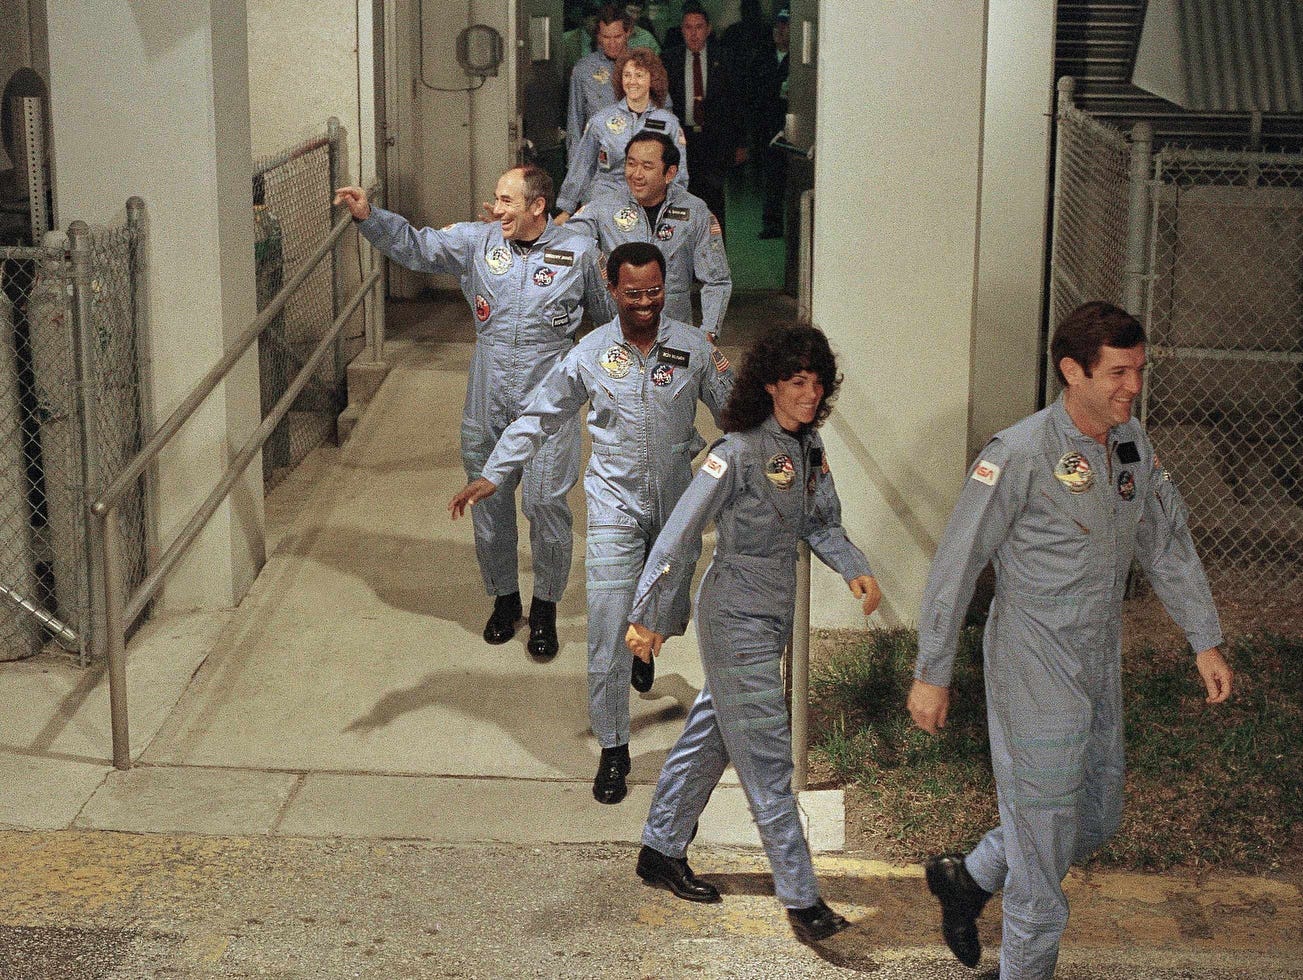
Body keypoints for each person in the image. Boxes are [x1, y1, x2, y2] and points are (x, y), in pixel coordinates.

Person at [907, 301, 1234, 979]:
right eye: (1117, 372)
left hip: (1094, 655)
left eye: (1137, 371)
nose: (1132, 386)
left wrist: (1203, 637)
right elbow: (957, 562)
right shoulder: (1019, 453)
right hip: (1033, 657)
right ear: (1071, 371)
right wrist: (931, 669)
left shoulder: (1128, 443)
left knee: (1094, 815)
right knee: (1043, 864)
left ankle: (967, 879)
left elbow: (1164, 543)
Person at [449, 242, 733, 806]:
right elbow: (540, 414)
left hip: (678, 513)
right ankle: (613, 748)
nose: (647, 303)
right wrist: (494, 471)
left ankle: (647, 644)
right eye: (634, 294)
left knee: (669, 614)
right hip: (615, 509)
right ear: (611, 289)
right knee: (606, 630)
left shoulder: (695, 349)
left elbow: (736, 417)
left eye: (655, 292)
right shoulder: (589, 353)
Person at [626, 325, 882, 944]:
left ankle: (660, 848)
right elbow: (680, 531)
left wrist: (855, 570)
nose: (809, 395)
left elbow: (821, 523)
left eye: (818, 384)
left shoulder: (810, 450)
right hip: (734, 612)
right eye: (797, 384)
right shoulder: (736, 451)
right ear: (769, 386)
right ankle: (802, 899)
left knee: (718, 728)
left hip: (772, 615)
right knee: (767, 758)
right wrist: (652, 612)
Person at [333, 171, 611, 660]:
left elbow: (609, 317)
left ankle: (544, 607)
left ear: (538, 206)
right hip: (488, 387)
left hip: (550, 394)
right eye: (497, 199)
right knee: (489, 499)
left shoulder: (578, 253)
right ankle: (505, 599)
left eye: (507, 200)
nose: (496, 207)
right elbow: (417, 247)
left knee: (545, 502)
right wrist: (368, 217)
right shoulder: (477, 243)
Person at [565, 131, 730, 337]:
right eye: (631, 164)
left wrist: (709, 333)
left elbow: (716, 280)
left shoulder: (695, 212)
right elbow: (565, 244)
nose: (636, 174)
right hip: (616, 335)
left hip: (674, 334)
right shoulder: (603, 208)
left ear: (669, 173)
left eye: (647, 166)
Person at [555, 48, 688, 221]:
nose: (632, 81)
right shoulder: (601, 120)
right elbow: (582, 166)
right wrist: (567, 208)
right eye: (627, 75)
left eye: (639, 75)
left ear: (652, 80)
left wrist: (672, 207)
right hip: (605, 205)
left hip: (651, 207)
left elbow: (678, 172)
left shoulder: (668, 123)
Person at [662, 4, 748, 238]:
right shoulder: (669, 60)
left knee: (714, 205)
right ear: (681, 30)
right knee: (680, 203)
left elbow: (738, 102)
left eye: (699, 27)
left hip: (715, 142)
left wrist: (741, 143)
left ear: (708, 29)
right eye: (688, 27)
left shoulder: (726, 58)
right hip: (682, 141)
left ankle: (715, 259)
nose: (694, 33)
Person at [565, 3, 662, 162]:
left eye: (617, 37)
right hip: (599, 158)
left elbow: (664, 112)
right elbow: (575, 123)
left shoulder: (646, 65)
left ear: (628, 32)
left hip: (640, 157)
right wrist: (575, 169)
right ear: (598, 36)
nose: (612, 43)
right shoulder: (583, 70)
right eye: (606, 37)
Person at [754, 8, 790, 240]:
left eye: (785, 26)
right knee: (772, 176)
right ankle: (772, 223)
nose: (779, 30)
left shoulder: (798, 60)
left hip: (789, 124)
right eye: (777, 26)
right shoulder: (763, 56)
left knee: (790, 176)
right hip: (766, 123)